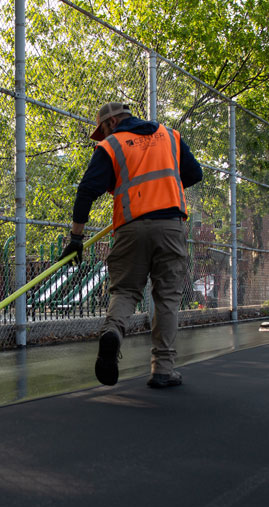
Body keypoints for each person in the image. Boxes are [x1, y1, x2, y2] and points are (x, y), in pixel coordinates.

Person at [59, 101, 203, 388]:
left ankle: (113, 332)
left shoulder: (112, 145)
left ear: (111, 123)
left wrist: (77, 238)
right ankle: (163, 369)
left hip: (131, 226)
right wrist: (164, 191)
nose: (102, 137)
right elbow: (195, 174)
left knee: (125, 290)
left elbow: (87, 190)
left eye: (102, 131)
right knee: (167, 298)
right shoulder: (170, 135)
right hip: (171, 226)